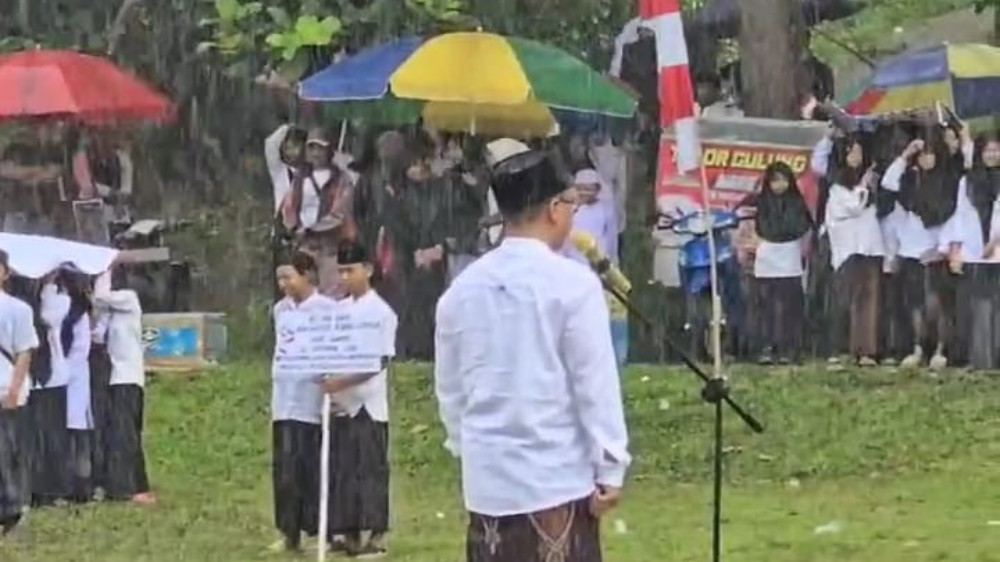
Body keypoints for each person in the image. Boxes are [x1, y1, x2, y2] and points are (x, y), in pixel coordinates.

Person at [434, 143, 631, 562]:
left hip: (488, 483)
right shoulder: (573, 285)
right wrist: (611, 463)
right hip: (555, 478)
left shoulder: (460, 291)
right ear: (555, 209)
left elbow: (450, 390)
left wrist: (465, 445)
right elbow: (594, 382)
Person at [321, 240, 398, 557]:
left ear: (366, 270)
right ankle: (347, 532)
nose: (344, 278)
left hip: (367, 403)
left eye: (349, 271)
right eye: (340, 272)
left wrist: (344, 380)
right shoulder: (338, 310)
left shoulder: (381, 312)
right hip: (341, 402)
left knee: (369, 469)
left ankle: (376, 534)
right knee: (343, 469)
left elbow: (379, 361)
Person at [881, 130, 962, 370]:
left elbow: (953, 216)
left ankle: (941, 349)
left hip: (937, 251)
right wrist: (906, 155)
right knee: (914, 303)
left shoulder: (947, 182)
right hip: (910, 251)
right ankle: (918, 347)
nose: (926, 160)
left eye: (930, 155)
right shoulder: (909, 182)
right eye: (922, 155)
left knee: (937, 303)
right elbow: (888, 182)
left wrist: (943, 248)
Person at [269, 251, 333, 552]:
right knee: (284, 470)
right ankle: (288, 530)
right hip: (284, 398)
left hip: (311, 400)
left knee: (309, 468)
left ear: (306, 275)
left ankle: (316, 528)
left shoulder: (326, 310)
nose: (283, 284)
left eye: (288, 277)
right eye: (280, 278)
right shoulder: (281, 310)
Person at [91, 268, 154, 504]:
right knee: (117, 434)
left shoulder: (129, 299)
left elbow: (100, 297)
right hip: (115, 378)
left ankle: (132, 487)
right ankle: (122, 484)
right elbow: (96, 333)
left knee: (127, 434)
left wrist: (103, 268)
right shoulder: (111, 313)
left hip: (129, 377)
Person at [824, 136, 885, 366]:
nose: (856, 158)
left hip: (870, 247)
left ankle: (867, 350)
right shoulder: (837, 186)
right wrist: (863, 186)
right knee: (846, 301)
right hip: (848, 251)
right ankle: (839, 349)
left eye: (859, 153)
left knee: (869, 302)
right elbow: (852, 207)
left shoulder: (869, 184)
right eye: (852, 153)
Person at [941, 134, 1000, 369]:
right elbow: (960, 215)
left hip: (996, 251)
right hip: (975, 252)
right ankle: (981, 361)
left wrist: (994, 241)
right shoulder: (968, 182)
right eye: (988, 150)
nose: (992, 154)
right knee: (979, 308)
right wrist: (954, 249)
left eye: (996, 150)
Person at [748, 162, 813, 365]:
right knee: (766, 306)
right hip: (767, 255)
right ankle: (766, 347)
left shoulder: (796, 202)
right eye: (775, 181)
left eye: (783, 180)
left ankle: (789, 348)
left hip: (790, 256)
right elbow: (763, 227)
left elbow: (800, 225)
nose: (779, 185)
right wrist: (777, 233)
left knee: (790, 306)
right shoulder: (763, 202)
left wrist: (783, 232)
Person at [280, 127, 357, 297]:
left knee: (332, 297)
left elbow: (340, 213)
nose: (315, 152)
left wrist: (313, 229)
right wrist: (293, 228)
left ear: (329, 150)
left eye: (320, 147)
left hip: (331, 247)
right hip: (304, 247)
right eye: (311, 147)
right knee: (302, 294)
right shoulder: (299, 178)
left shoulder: (342, 179)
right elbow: (289, 207)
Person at [564, 168, 629, 367]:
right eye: (580, 189)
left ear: (597, 189)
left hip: (597, 267)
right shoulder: (569, 211)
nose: (584, 193)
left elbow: (610, 241)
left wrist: (609, 267)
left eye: (589, 189)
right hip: (570, 269)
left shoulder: (605, 210)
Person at [0, 250, 39, 536]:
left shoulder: (17, 309)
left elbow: (24, 351)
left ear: (5, 273)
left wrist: (14, 389)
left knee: (7, 452)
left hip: (5, 388)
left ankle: (14, 510)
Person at [29, 277, 72, 506]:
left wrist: (48, 284)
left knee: (53, 437)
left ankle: (54, 489)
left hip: (52, 377)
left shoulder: (59, 299)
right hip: (29, 381)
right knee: (34, 438)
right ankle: (36, 488)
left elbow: (49, 317)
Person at [60, 272, 94, 503]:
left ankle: (78, 485)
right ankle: (81, 484)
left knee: (72, 433)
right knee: (77, 431)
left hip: (70, 374)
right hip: (74, 374)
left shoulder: (71, 314)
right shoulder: (80, 315)